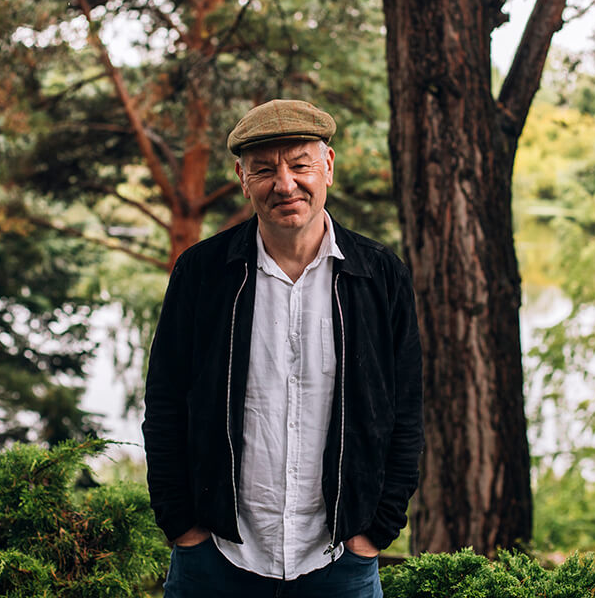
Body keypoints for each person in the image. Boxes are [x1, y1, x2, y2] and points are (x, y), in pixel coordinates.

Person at [142, 99, 424, 597]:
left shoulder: (380, 275)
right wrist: (183, 528)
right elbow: (164, 404)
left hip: (339, 562)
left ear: (329, 167)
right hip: (217, 558)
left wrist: (375, 532)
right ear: (242, 177)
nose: (285, 184)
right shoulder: (202, 274)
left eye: (300, 165)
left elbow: (405, 413)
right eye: (265, 170)